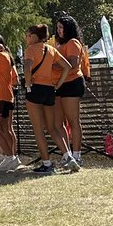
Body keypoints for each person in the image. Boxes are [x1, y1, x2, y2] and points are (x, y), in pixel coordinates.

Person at [22, 24, 73, 174]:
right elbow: (68, 66)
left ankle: (47, 163)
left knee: (38, 130)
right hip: (49, 89)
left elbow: (27, 67)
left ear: (33, 36)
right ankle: (69, 157)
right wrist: (58, 84)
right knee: (52, 128)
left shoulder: (31, 49)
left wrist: (28, 83)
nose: (26, 38)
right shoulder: (51, 49)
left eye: (27, 35)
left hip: (36, 88)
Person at [55, 15, 88, 168]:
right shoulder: (60, 44)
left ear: (68, 28)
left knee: (73, 120)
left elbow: (73, 65)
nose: (58, 30)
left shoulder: (73, 43)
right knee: (58, 122)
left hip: (72, 82)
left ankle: (77, 154)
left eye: (61, 27)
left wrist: (54, 66)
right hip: (60, 84)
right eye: (57, 27)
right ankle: (67, 155)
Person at [0, 33, 20, 171]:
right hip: (7, 96)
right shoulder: (6, 56)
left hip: (0, 97)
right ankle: (12, 156)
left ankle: (9, 156)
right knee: (5, 128)